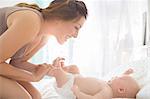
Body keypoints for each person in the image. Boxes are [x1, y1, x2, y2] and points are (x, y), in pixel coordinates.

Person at [0, 0, 88, 99]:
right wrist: (33, 77)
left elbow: (17, 63)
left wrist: (50, 71)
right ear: (59, 18)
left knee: (36, 96)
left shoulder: (44, 36)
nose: (76, 35)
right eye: (76, 27)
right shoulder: (31, 21)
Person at [47, 57, 140, 99]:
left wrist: (78, 93)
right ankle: (63, 70)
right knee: (74, 68)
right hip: (76, 79)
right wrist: (126, 74)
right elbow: (121, 81)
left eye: (119, 78)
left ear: (120, 90)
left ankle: (57, 70)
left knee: (61, 75)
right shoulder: (108, 86)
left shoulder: (107, 93)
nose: (115, 76)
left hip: (70, 89)